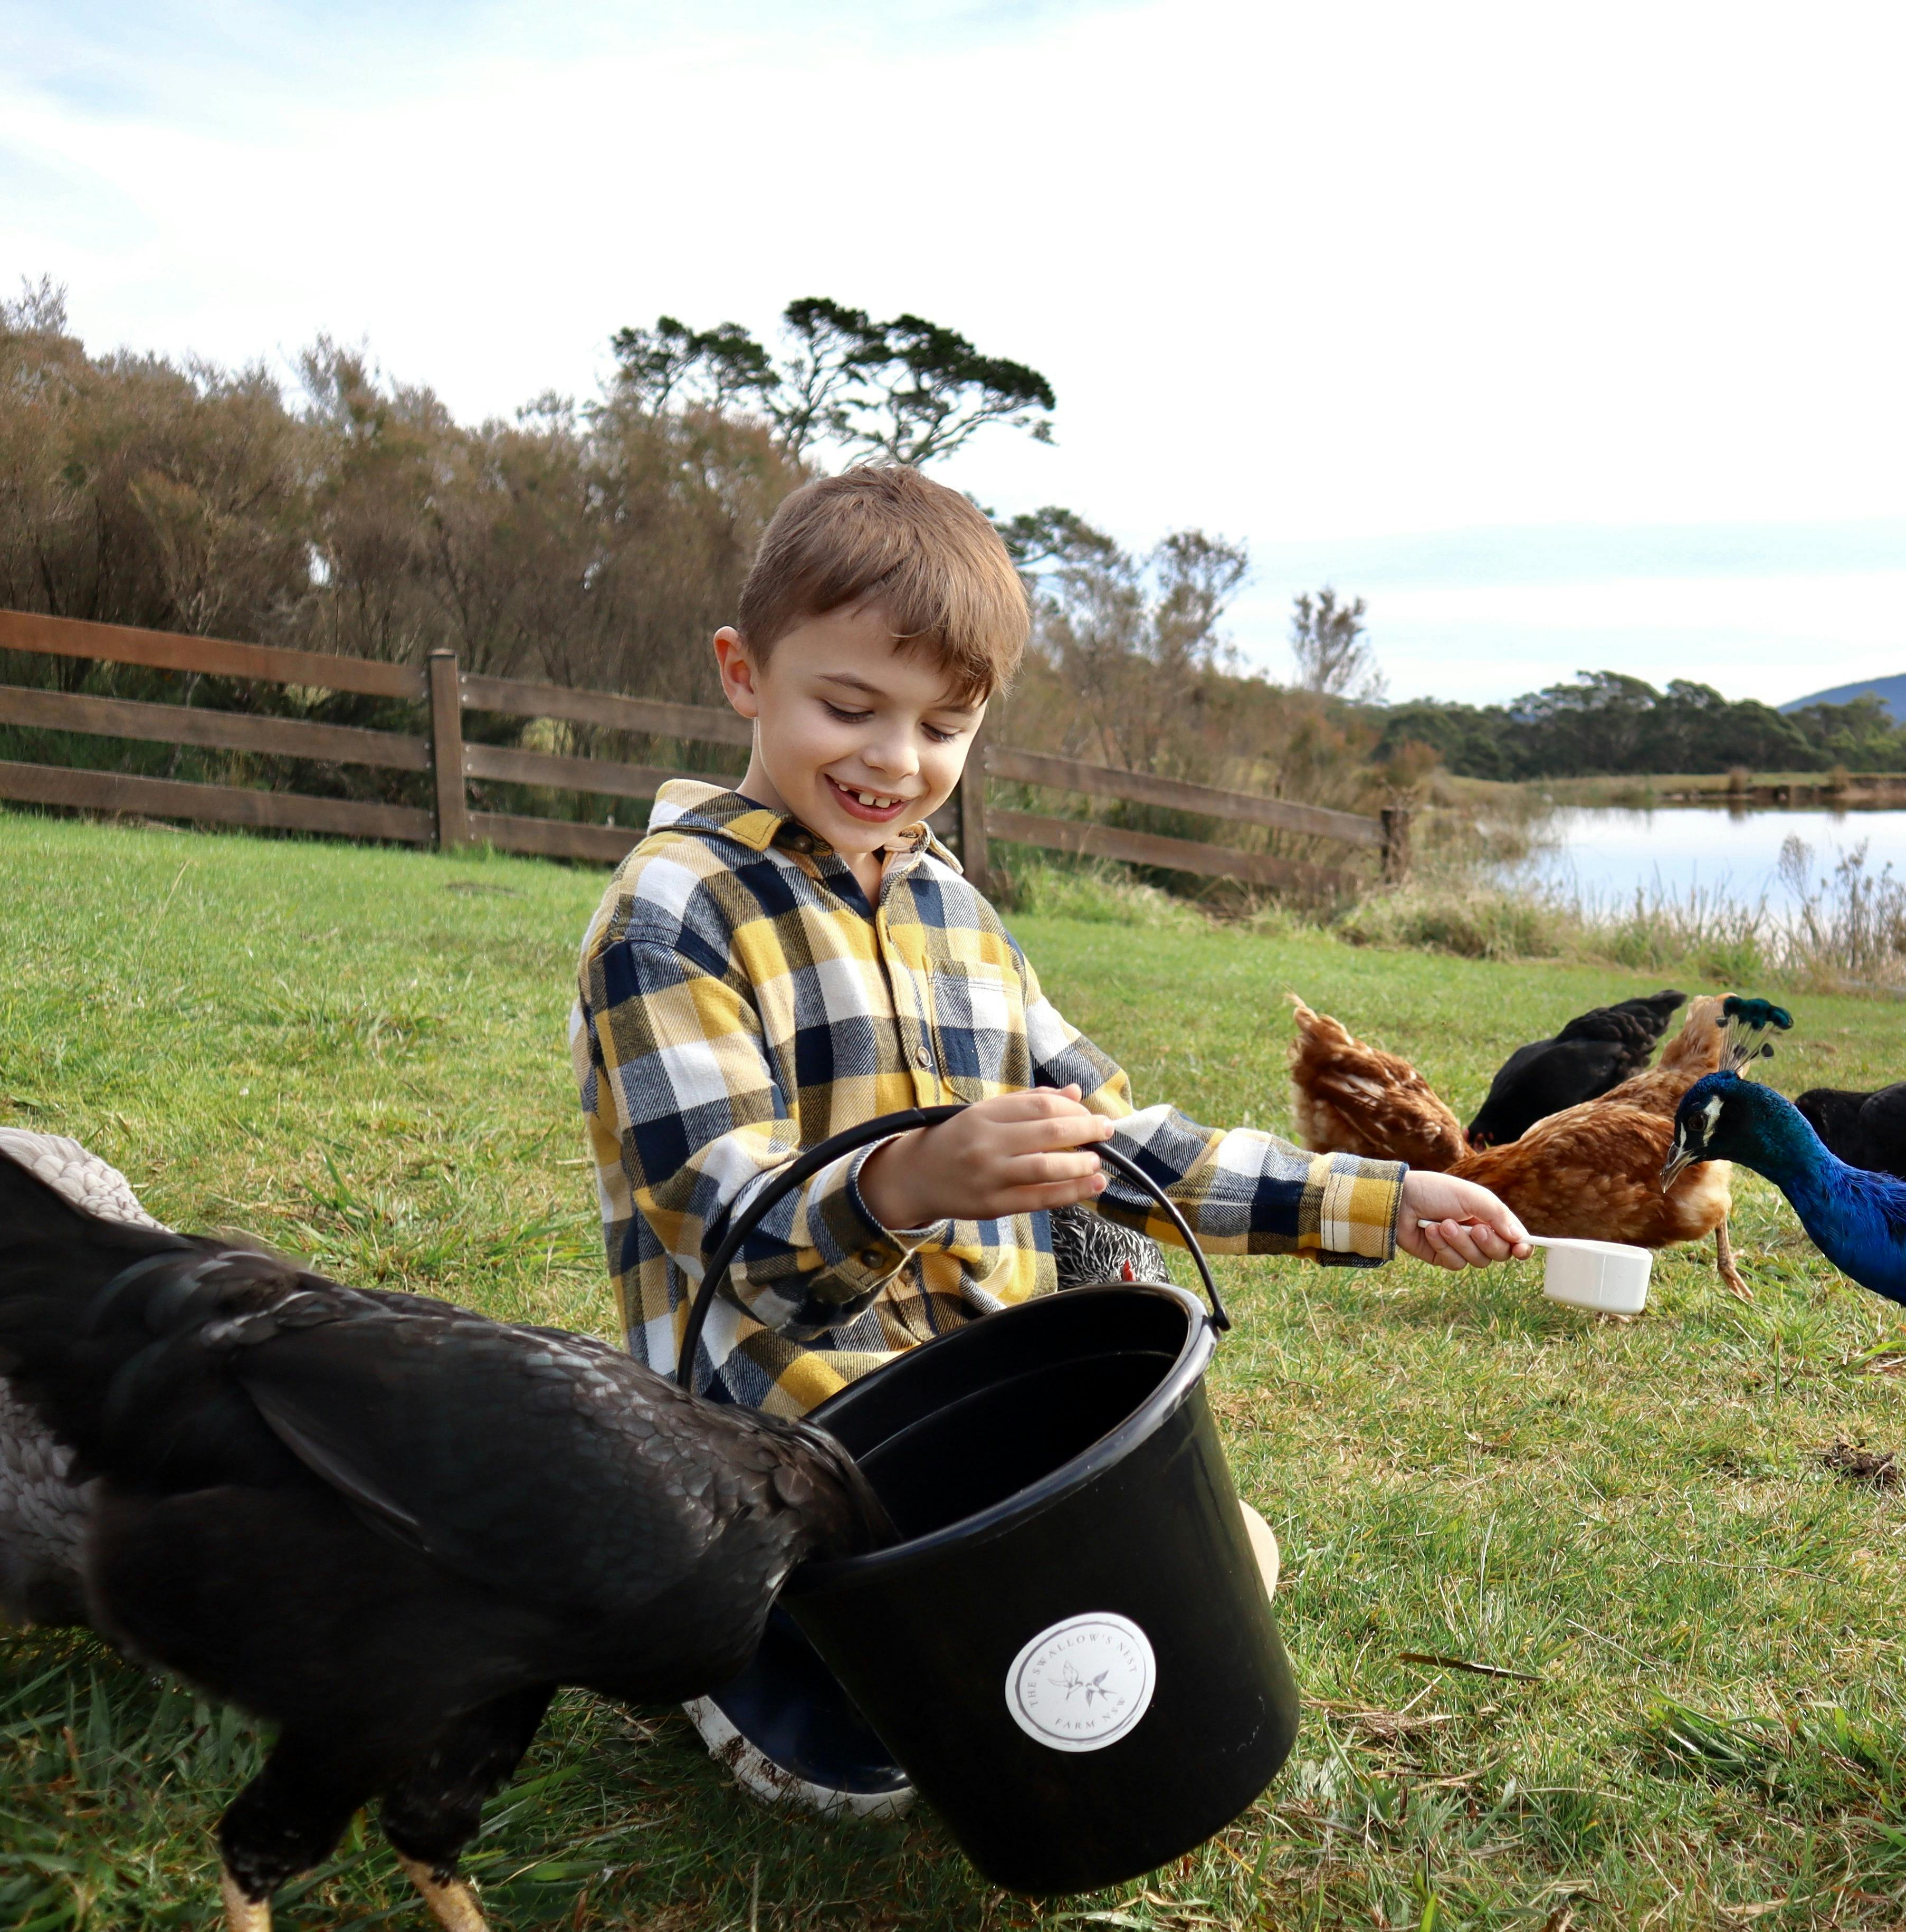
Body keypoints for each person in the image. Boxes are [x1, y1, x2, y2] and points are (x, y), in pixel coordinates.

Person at [571, 465, 1527, 1814]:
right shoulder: (671, 919)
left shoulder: (958, 914)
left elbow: (1130, 1147)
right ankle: (737, 1661)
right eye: (847, 706)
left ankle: (979, 1617)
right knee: (889, 1785)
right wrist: (905, 1184)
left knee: (1223, 1558)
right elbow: (736, 1249)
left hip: (986, 1434)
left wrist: (1379, 1196)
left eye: (943, 726)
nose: (895, 761)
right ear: (743, 671)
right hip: (787, 1465)